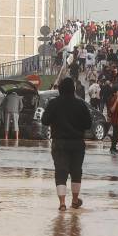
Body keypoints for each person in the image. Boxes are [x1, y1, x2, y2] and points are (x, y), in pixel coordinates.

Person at [41, 78, 93, 211]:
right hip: (77, 143)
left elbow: (45, 121)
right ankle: (75, 201)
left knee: (61, 172)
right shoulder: (81, 104)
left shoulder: (54, 103)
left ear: (60, 89)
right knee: (76, 172)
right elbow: (88, 124)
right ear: (73, 89)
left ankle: (62, 203)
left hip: (59, 143)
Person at [107, 89, 118, 155]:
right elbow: (112, 110)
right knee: (116, 135)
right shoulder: (113, 100)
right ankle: (112, 148)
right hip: (115, 120)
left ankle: (114, 147)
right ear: (115, 93)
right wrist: (116, 102)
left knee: (117, 135)